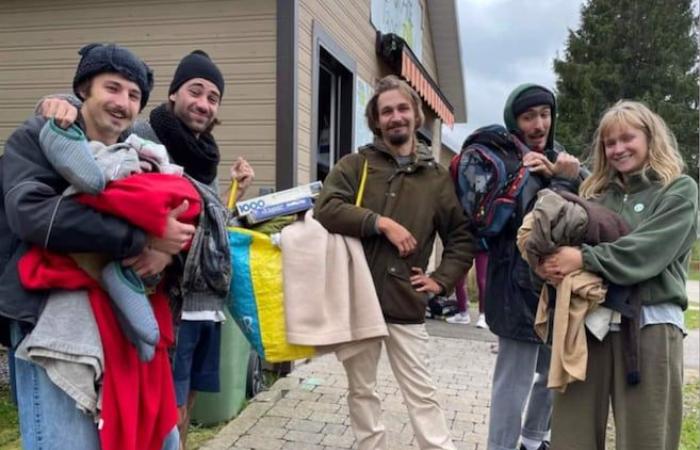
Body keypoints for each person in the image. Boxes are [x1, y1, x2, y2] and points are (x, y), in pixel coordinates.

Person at [39, 49, 255, 450]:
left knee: (183, 408)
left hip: (202, 298)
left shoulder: (206, 153)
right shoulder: (146, 136)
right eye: (196, 91)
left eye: (213, 98)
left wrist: (234, 191)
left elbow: (199, 220)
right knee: (163, 409)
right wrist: (158, 248)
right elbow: (99, 137)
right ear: (173, 94)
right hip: (159, 297)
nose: (203, 104)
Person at [0, 43, 193, 450]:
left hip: (126, 325)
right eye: (113, 88)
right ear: (85, 89)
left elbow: (191, 210)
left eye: (134, 94)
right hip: (53, 325)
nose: (123, 102)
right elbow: (31, 215)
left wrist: (166, 251)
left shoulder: (141, 152)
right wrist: (142, 237)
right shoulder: (38, 136)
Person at [314, 75, 475, 450]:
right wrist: (380, 223)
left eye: (403, 108)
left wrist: (440, 280)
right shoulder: (356, 165)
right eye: (387, 111)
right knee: (362, 391)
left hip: (405, 301)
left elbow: (462, 238)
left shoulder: (436, 178)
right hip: (359, 297)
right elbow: (326, 208)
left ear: (416, 116)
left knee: (422, 395)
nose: (395, 117)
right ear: (376, 120)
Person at [539, 100, 697, 450]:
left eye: (628, 138)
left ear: (650, 138)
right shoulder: (593, 195)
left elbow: (646, 252)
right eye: (610, 142)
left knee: (646, 437)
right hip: (589, 324)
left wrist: (583, 259)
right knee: (571, 434)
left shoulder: (678, 191)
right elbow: (560, 245)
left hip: (650, 328)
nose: (618, 148)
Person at [484, 84, 583, 450]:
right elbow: (532, 227)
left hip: (556, 290)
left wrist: (565, 175)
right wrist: (557, 181)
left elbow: (590, 211)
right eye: (529, 117)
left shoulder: (561, 159)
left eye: (545, 114)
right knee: (514, 380)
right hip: (514, 289)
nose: (539, 124)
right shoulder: (508, 161)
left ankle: (532, 440)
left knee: (553, 373)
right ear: (514, 120)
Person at [446, 245, 488, 328]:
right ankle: (463, 313)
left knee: (482, 281)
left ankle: (483, 316)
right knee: (459, 278)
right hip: (466, 244)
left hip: (483, 244)